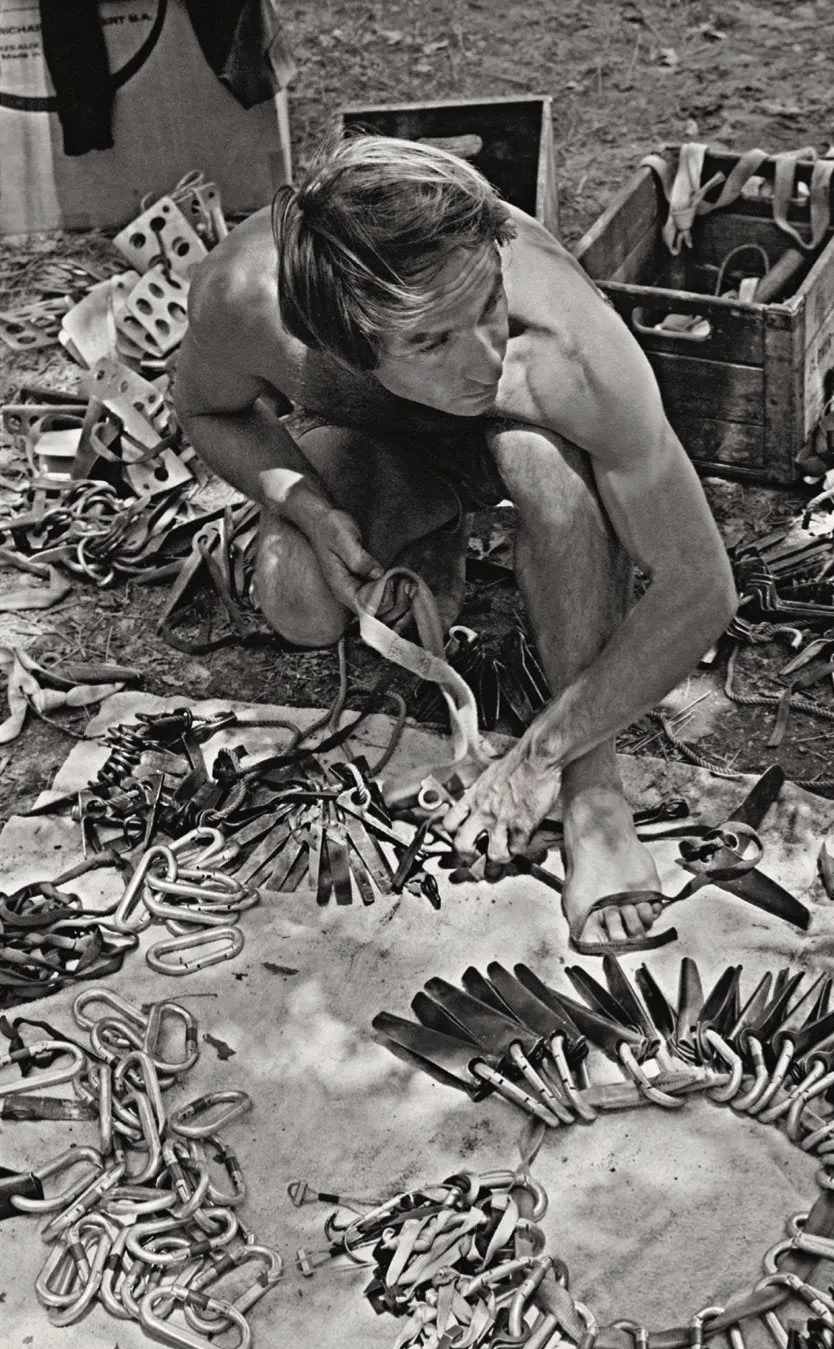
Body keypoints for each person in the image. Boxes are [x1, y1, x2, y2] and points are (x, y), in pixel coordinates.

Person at [173, 133, 738, 953]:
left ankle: (595, 793)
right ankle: (430, 518)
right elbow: (206, 411)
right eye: (432, 340)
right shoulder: (242, 297)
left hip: (520, 441)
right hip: (371, 432)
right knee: (297, 598)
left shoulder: (569, 350)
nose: (484, 357)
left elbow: (699, 584)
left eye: (486, 306)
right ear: (338, 338)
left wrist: (543, 758)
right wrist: (304, 503)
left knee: (550, 477)